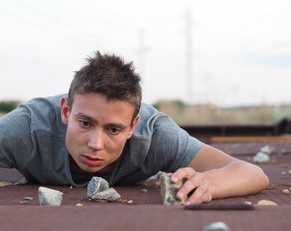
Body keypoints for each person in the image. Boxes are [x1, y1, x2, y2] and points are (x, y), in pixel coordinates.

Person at [0, 51, 269, 204]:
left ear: (133, 126)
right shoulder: (27, 128)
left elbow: (252, 173)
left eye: (113, 130)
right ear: (66, 112)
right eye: (85, 123)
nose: (96, 143)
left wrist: (210, 182)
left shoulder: (155, 135)